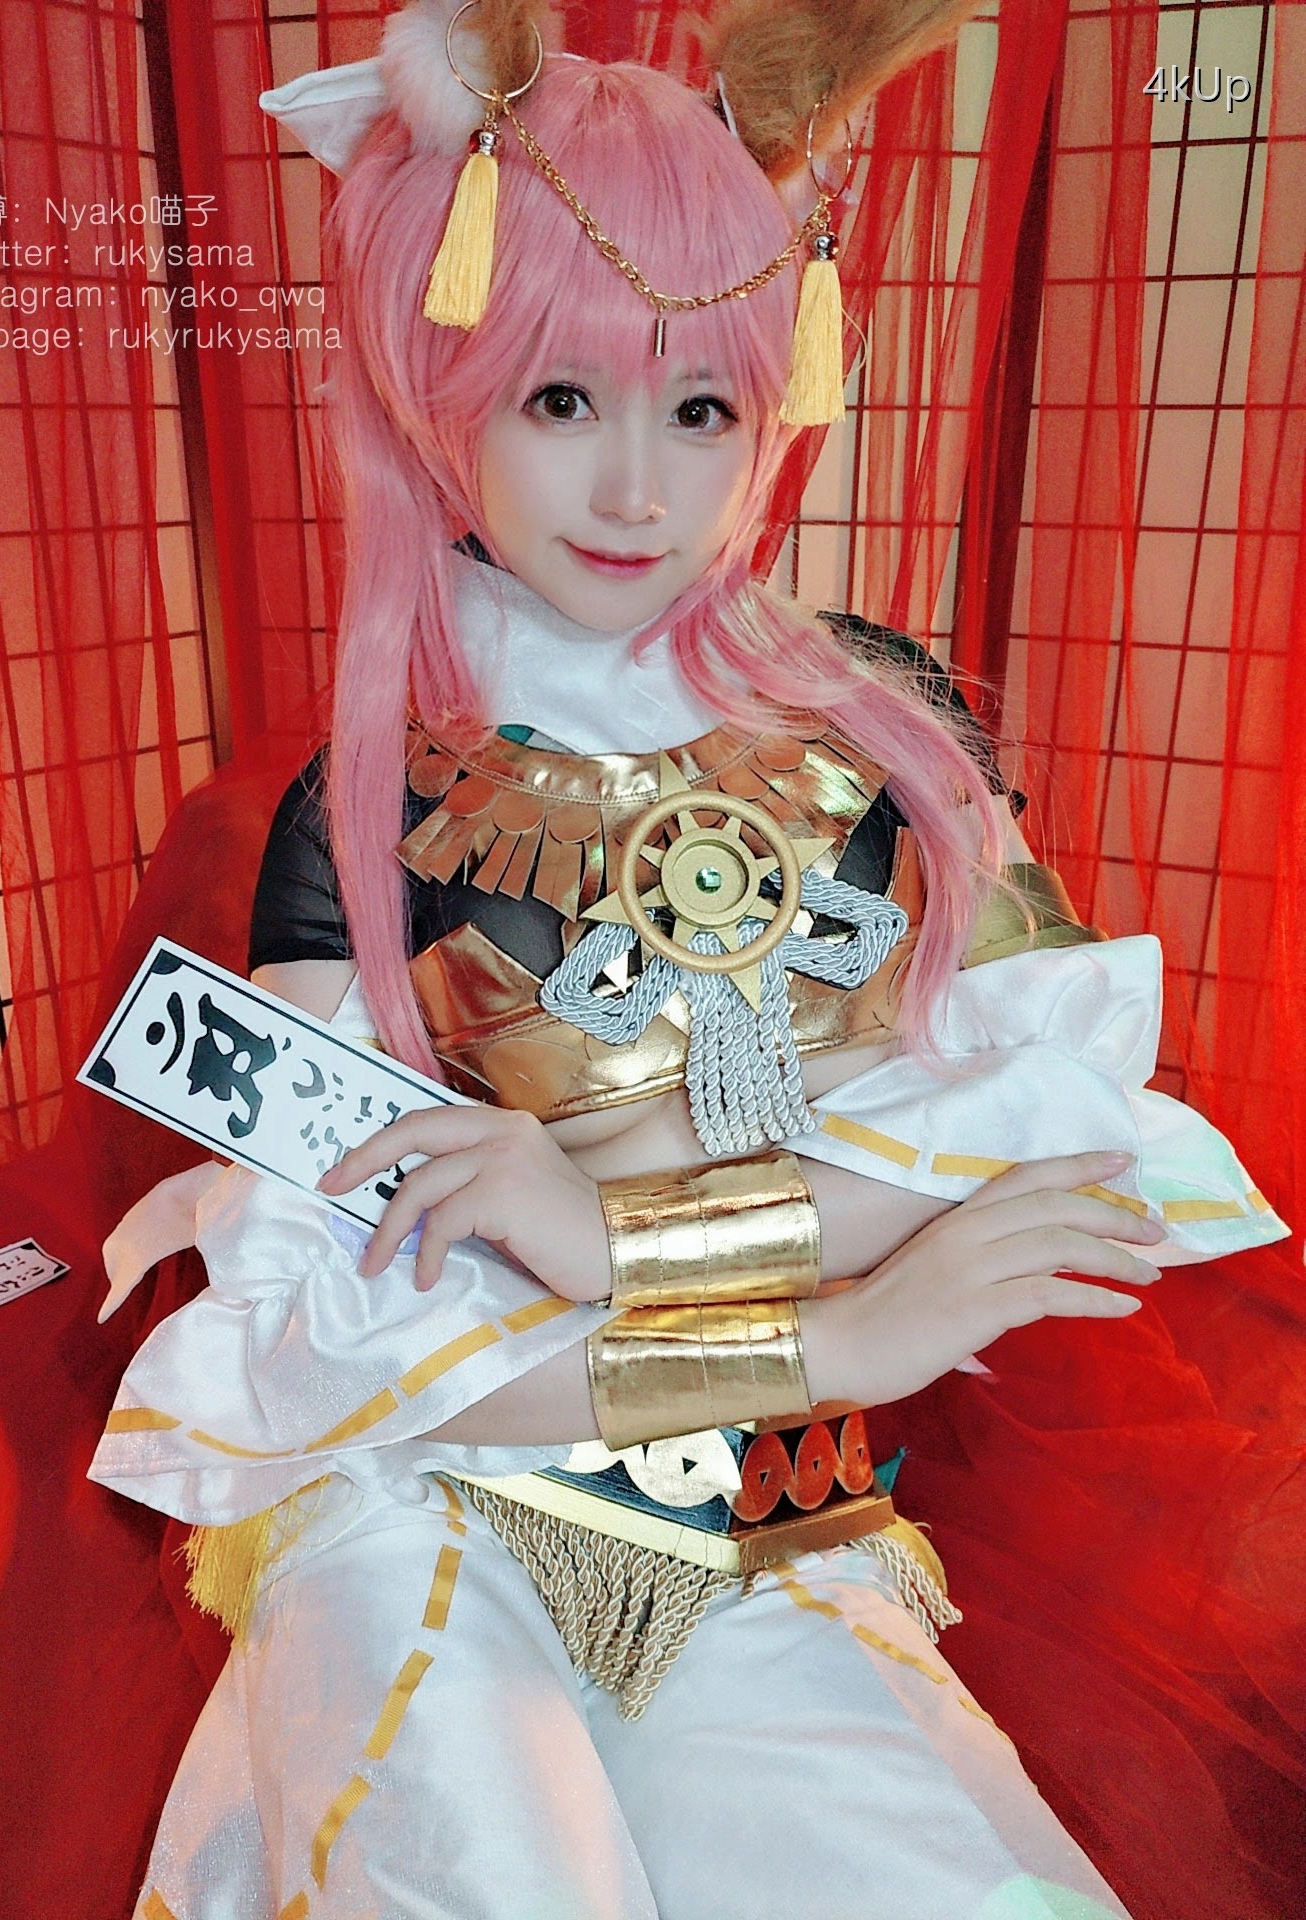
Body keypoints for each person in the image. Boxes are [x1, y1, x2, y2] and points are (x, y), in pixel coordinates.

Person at [89, 6, 1288, 1916]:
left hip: (770, 1499)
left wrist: (605, 1235)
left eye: (702, 407)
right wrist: (843, 1328)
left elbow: (1046, 1151)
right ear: (438, 383)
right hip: (431, 1500)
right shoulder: (363, 804)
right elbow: (343, 1358)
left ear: (779, 392)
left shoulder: (889, 737)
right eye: (562, 399)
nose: (638, 489)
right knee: (481, 1865)